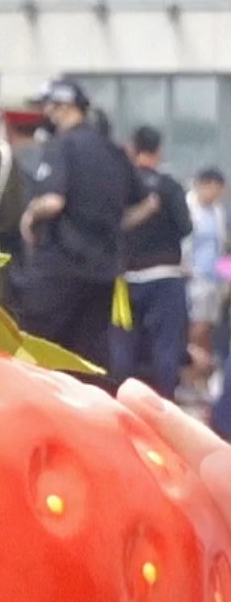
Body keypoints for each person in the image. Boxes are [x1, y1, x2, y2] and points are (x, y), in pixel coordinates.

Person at [12, 79, 137, 378]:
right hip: (103, 270)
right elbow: (142, 203)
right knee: (90, 359)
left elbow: (54, 201)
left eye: (49, 106)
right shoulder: (112, 150)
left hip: (60, 266)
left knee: (40, 352)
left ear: (62, 106)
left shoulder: (62, 145)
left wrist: (30, 215)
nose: (46, 112)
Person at [112, 126, 194, 399]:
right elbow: (185, 227)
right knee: (166, 346)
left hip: (126, 278)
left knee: (124, 344)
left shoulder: (121, 184)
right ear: (159, 150)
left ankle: (123, 400)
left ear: (133, 148)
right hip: (164, 276)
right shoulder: (169, 186)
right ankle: (164, 404)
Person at [188, 167, 226, 401]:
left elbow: (220, 247)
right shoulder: (189, 208)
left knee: (208, 330)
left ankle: (201, 379)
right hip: (195, 277)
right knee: (196, 328)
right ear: (204, 185)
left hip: (214, 279)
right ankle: (190, 376)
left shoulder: (218, 212)